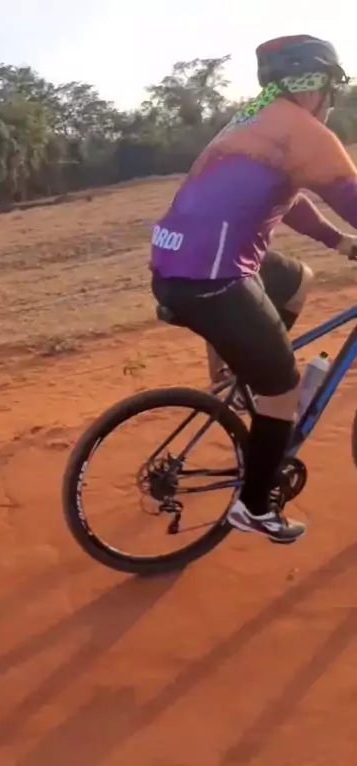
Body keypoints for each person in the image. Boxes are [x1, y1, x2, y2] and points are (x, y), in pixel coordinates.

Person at [150, 35, 357, 544]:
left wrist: (338, 241)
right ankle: (256, 506)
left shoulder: (253, 117)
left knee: (295, 279)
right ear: (316, 87)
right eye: (331, 90)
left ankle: (245, 373)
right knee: (283, 386)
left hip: (183, 263)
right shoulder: (304, 132)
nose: (331, 101)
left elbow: (291, 196)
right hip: (210, 279)